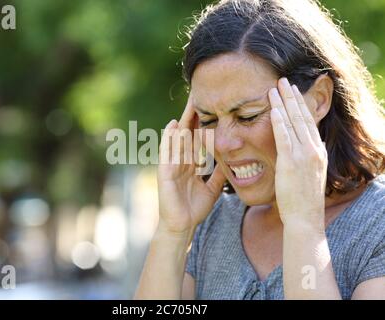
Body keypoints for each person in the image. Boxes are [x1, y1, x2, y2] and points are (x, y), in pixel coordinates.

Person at [135, 0, 385, 300]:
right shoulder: (215, 222)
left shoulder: (376, 224)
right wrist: (173, 232)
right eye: (209, 119)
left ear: (318, 99)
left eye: (248, 116)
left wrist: (303, 225)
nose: (224, 144)